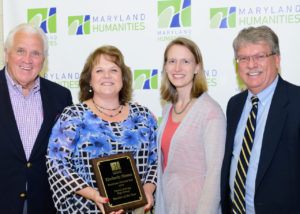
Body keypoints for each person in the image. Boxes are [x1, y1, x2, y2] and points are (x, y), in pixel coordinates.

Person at [46, 45, 158, 214]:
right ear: (89, 80)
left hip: (136, 209)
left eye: (114, 70)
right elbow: (56, 164)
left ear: (123, 78)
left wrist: (148, 190)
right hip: (86, 208)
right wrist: (94, 195)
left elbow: (156, 161)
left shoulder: (143, 116)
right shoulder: (73, 116)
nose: (107, 75)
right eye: (99, 70)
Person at [220, 25, 300, 214]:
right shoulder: (234, 105)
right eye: (244, 58)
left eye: (260, 57)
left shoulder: (296, 102)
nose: (251, 64)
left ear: (277, 59)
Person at [0, 23, 72, 214]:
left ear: (44, 60)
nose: (27, 60)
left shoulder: (61, 96)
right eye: (20, 51)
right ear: (7, 54)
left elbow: (66, 154)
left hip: (44, 205)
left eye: (36, 53)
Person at [155, 37, 226, 214]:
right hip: (169, 205)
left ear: (197, 67)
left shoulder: (210, 112)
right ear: (165, 67)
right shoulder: (169, 108)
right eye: (172, 61)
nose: (177, 68)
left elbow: (215, 175)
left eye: (185, 61)